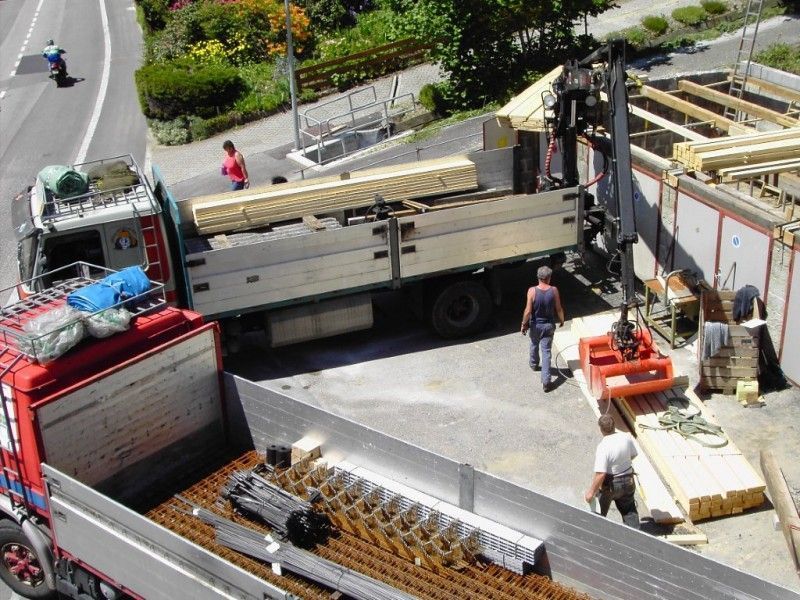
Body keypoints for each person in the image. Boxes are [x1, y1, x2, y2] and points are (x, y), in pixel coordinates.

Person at [584, 414, 640, 529]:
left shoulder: (603, 446)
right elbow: (633, 455)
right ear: (614, 425)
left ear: (601, 429)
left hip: (610, 485)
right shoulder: (626, 438)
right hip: (628, 480)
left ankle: (595, 533)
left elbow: (601, 474)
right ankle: (636, 535)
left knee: (598, 514)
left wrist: (591, 492)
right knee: (629, 511)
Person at [520, 265, 564, 392]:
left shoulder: (532, 291)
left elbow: (528, 311)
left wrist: (524, 324)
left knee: (534, 344)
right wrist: (562, 320)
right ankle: (546, 382)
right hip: (548, 326)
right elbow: (559, 308)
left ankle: (534, 364)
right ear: (549, 278)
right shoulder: (554, 290)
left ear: (538, 277)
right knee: (546, 352)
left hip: (535, 325)